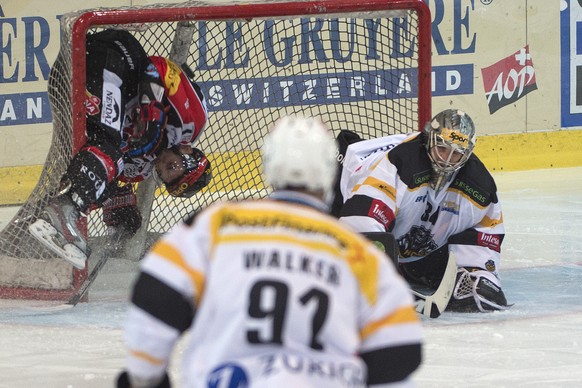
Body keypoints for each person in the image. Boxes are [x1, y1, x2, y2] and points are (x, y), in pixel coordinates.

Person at [116, 116, 423, 388]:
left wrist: (146, 379)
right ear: (330, 172)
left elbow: (153, 300)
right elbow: (401, 352)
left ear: (269, 168)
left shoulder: (215, 224)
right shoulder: (358, 249)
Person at [29, 29, 211, 268]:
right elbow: (157, 67)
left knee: (104, 150)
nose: (164, 168)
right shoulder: (190, 123)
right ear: (187, 152)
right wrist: (153, 118)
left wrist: (117, 206)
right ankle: (64, 209)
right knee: (108, 140)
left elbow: (104, 172)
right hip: (113, 56)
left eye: (166, 175)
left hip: (63, 82)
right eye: (173, 166)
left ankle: (52, 210)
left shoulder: (139, 169)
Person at [335, 109, 509, 313]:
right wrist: (377, 270)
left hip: (414, 245)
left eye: (457, 154)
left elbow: (486, 230)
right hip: (345, 192)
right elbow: (362, 219)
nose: (447, 159)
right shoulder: (401, 164)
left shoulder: (480, 186)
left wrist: (477, 272)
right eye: (442, 148)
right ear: (429, 139)